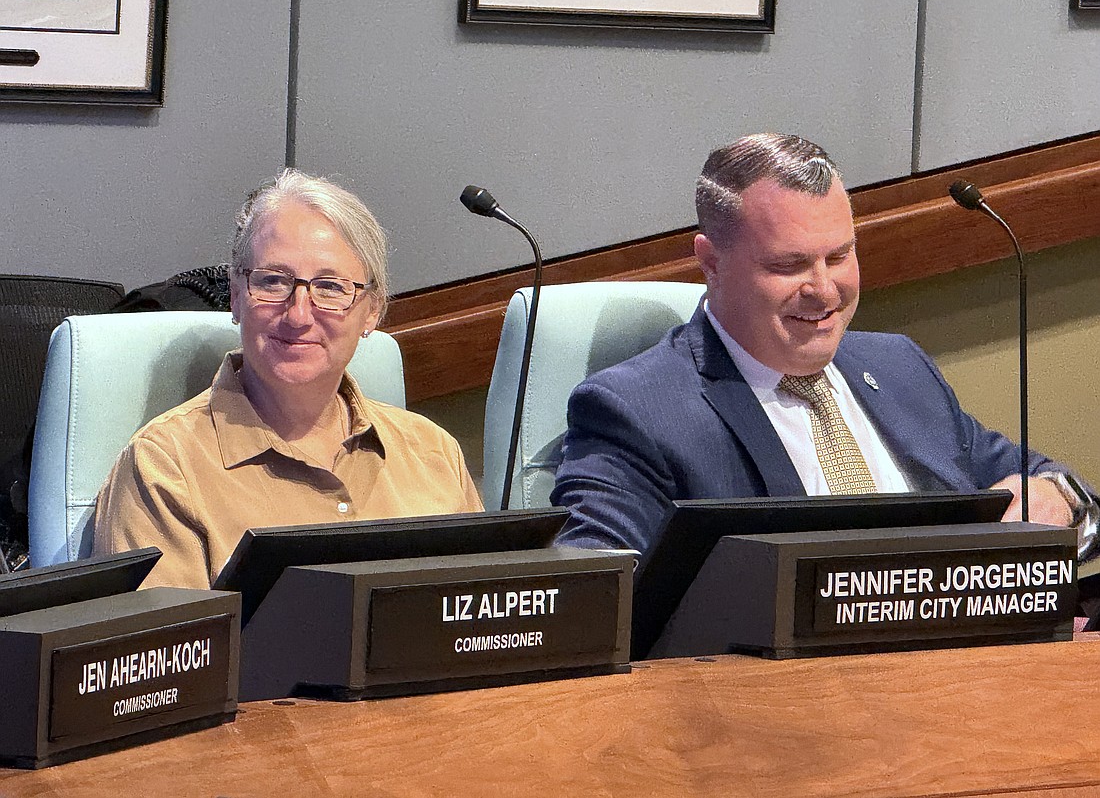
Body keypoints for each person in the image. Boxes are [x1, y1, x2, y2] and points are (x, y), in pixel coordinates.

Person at [551, 133, 1098, 564]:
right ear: (711, 261)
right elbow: (594, 588)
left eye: (839, 256)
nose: (824, 289)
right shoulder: (637, 411)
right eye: (788, 266)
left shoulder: (898, 366)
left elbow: (1049, 482)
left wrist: (1052, 493)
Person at [93, 169, 483, 588]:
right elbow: (167, 649)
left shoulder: (434, 452)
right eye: (273, 282)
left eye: (331, 288)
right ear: (237, 297)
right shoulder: (164, 467)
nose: (298, 315)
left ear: (372, 311)